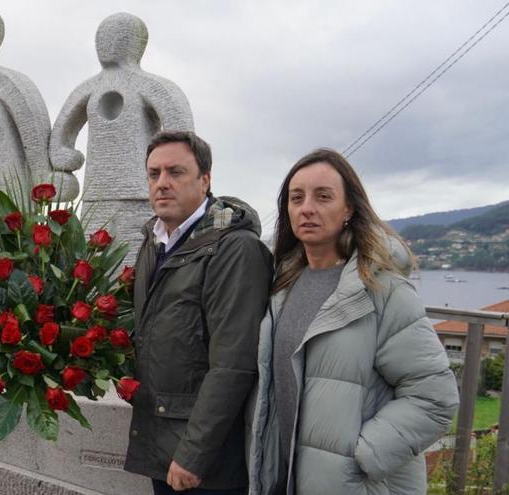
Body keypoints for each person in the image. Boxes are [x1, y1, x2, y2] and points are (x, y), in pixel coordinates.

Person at [247, 148, 460, 495]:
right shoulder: (282, 285)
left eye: (323, 196)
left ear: (348, 209)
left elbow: (435, 397)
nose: (307, 208)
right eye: (296, 198)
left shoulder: (382, 289)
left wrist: (360, 457)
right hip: (285, 479)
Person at [124, 130, 273, 494]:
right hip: (162, 441)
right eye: (154, 174)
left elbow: (234, 364)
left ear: (205, 180)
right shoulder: (155, 241)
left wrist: (194, 454)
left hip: (207, 462)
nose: (162, 184)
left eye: (175, 173)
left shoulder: (234, 249)